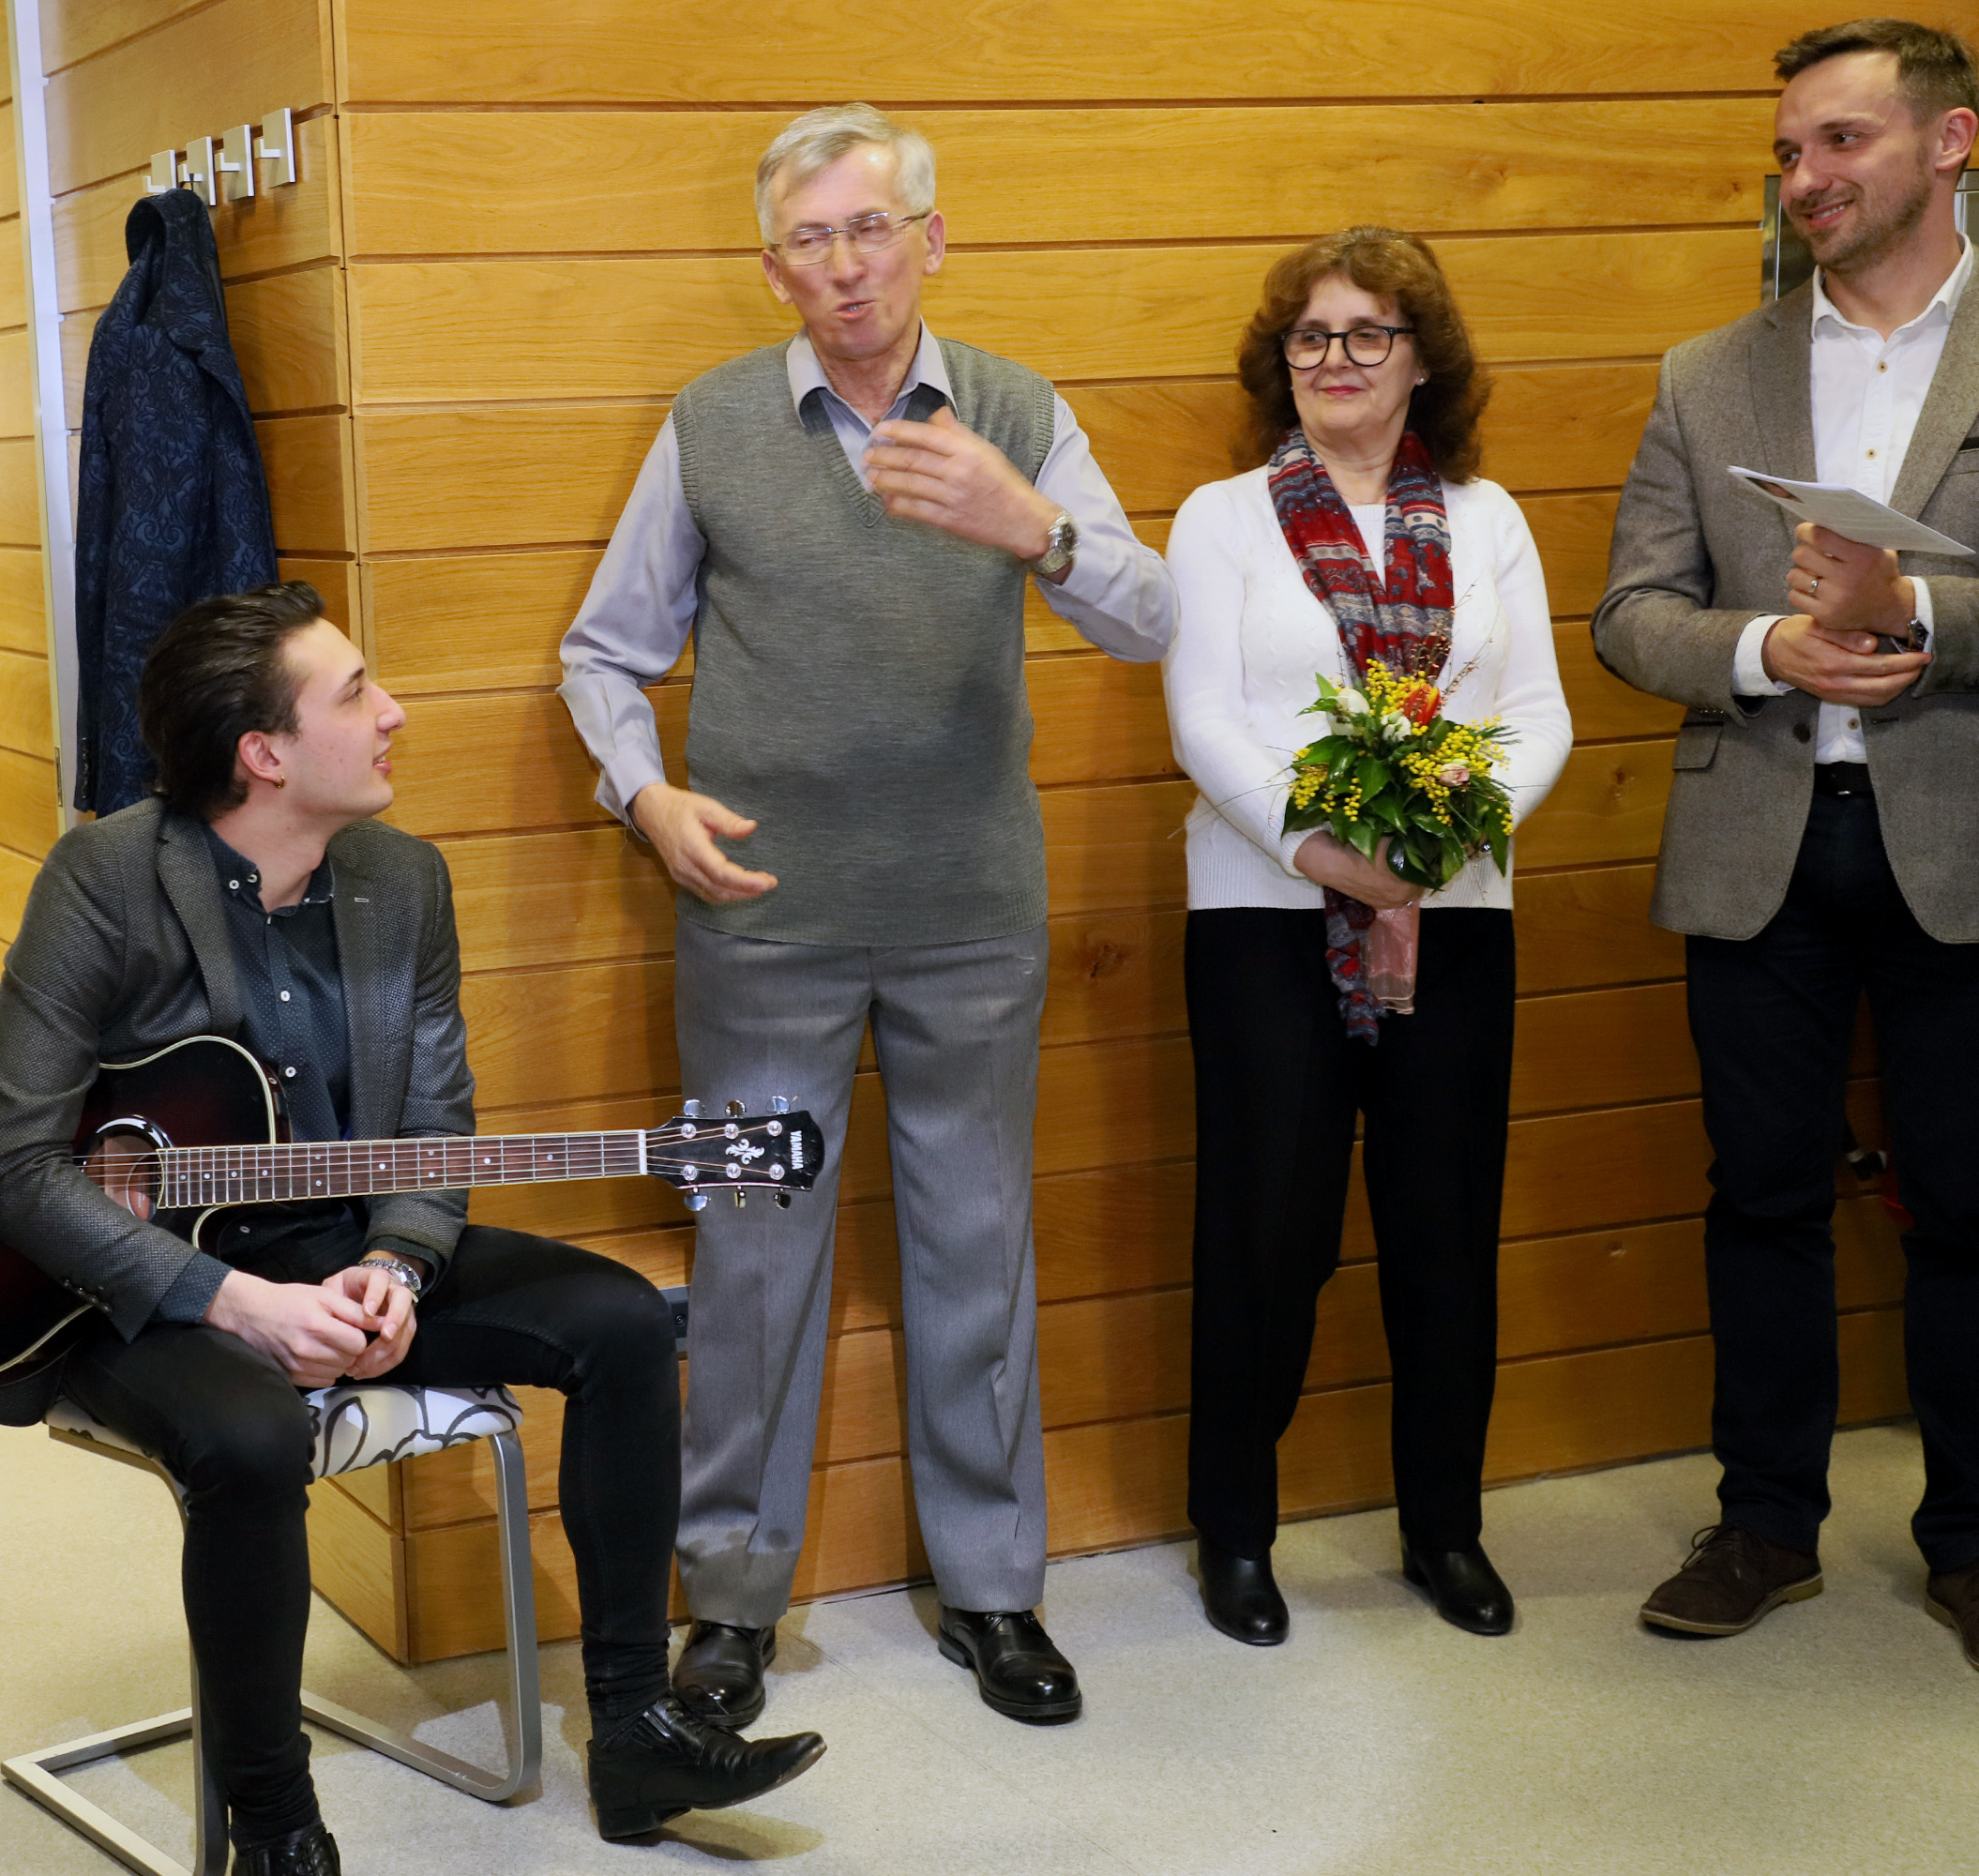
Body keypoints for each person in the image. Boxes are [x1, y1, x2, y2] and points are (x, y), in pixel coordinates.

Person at [0, 583, 825, 1873]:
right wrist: (235, 1304)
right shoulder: (108, 879)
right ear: (264, 754)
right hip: (135, 1284)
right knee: (253, 1436)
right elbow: (13, 1169)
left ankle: (638, 1730)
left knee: (625, 1321)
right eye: (357, 692)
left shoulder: (401, 879)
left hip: (341, 1244)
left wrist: (396, 1264)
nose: (394, 712)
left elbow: (434, 1121)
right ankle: (274, 1827)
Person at [557, 103, 1177, 1730]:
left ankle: (993, 1591)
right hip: (760, 918)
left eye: (871, 229)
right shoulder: (710, 422)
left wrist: (1031, 528)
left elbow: (1152, 617)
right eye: (811, 240)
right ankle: (731, 1607)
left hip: (972, 914)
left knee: (978, 1244)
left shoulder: (1020, 413)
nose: (845, 265)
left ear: (931, 241)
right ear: (775, 270)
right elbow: (604, 652)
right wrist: (647, 798)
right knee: (754, 1261)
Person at [1593, 18, 1979, 1668]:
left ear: (1950, 144)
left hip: (1960, 843)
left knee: (1969, 1204)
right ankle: (1764, 1525)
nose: (1805, 177)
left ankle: (1971, 1540)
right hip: (1758, 842)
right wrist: (1772, 649)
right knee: (1760, 1196)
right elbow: (1631, 613)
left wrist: (1921, 618)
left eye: (1841, 142)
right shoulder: (1707, 372)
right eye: (1789, 152)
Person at [1161, 229, 1572, 1646]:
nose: (1336, 359)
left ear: (1422, 361)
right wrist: (1328, 854)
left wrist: (1435, 854)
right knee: (1264, 1234)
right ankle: (1236, 1532)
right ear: (1281, 363)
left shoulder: (1488, 517)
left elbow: (1538, 715)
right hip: (1263, 917)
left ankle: (1444, 1529)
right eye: (1311, 336)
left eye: (1368, 332)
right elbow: (1205, 720)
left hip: (1457, 916)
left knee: (1444, 1231)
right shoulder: (1223, 517)